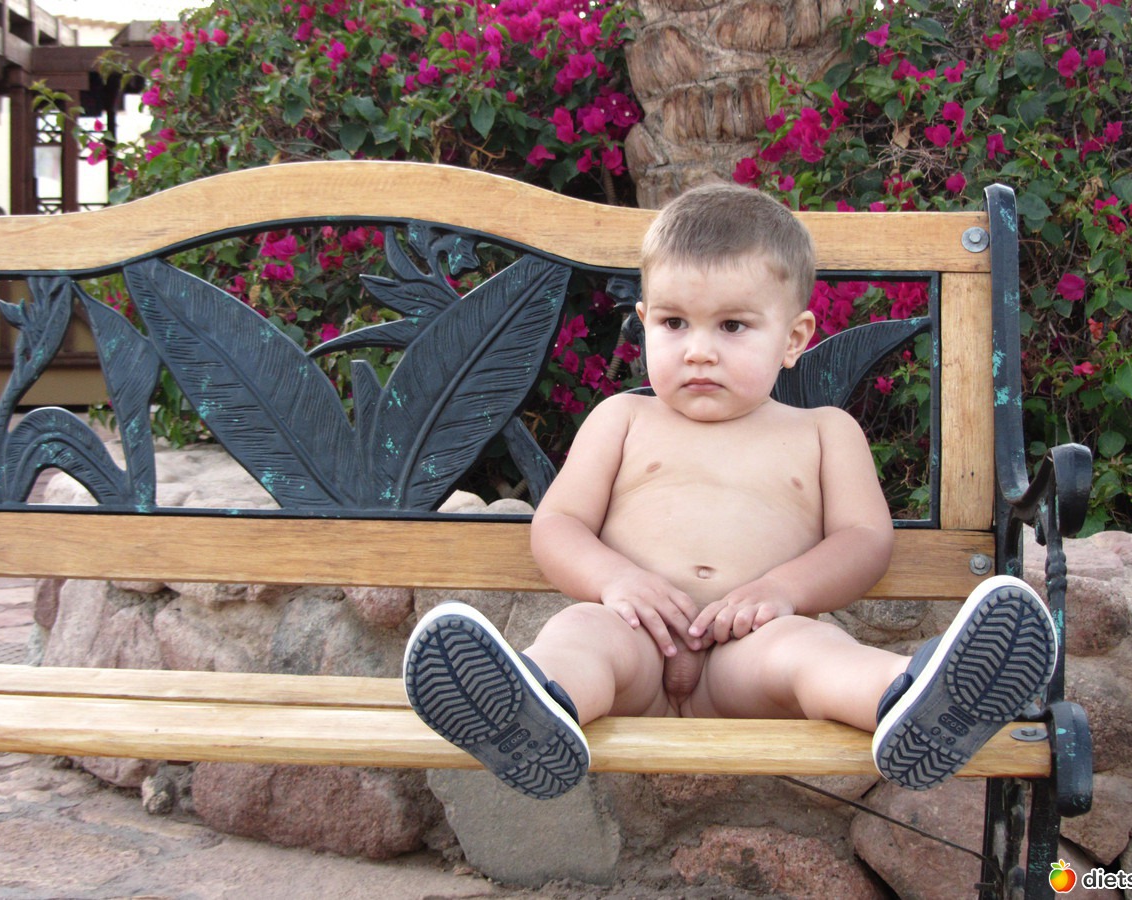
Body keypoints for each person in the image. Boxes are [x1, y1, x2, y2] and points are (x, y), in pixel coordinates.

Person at [403, 183, 1057, 800]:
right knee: (579, 633)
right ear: (643, 323)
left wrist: (782, 592)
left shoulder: (824, 432)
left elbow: (864, 540)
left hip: (747, 658)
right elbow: (558, 524)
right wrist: (615, 581)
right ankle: (534, 710)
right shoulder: (621, 419)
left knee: (810, 651)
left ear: (793, 339)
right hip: (638, 645)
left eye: (732, 327)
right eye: (674, 323)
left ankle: (911, 697)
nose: (698, 351)